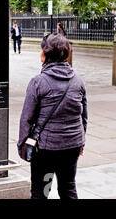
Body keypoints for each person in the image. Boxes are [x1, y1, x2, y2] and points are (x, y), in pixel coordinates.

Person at [17, 33, 87, 199]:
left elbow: (27, 118)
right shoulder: (78, 81)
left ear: (45, 54)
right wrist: (81, 143)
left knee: (41, 190)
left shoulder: (38, 82)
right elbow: (83, 116)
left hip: (45, 148)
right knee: (68, 188)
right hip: (72, 144)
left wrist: (22, 144)